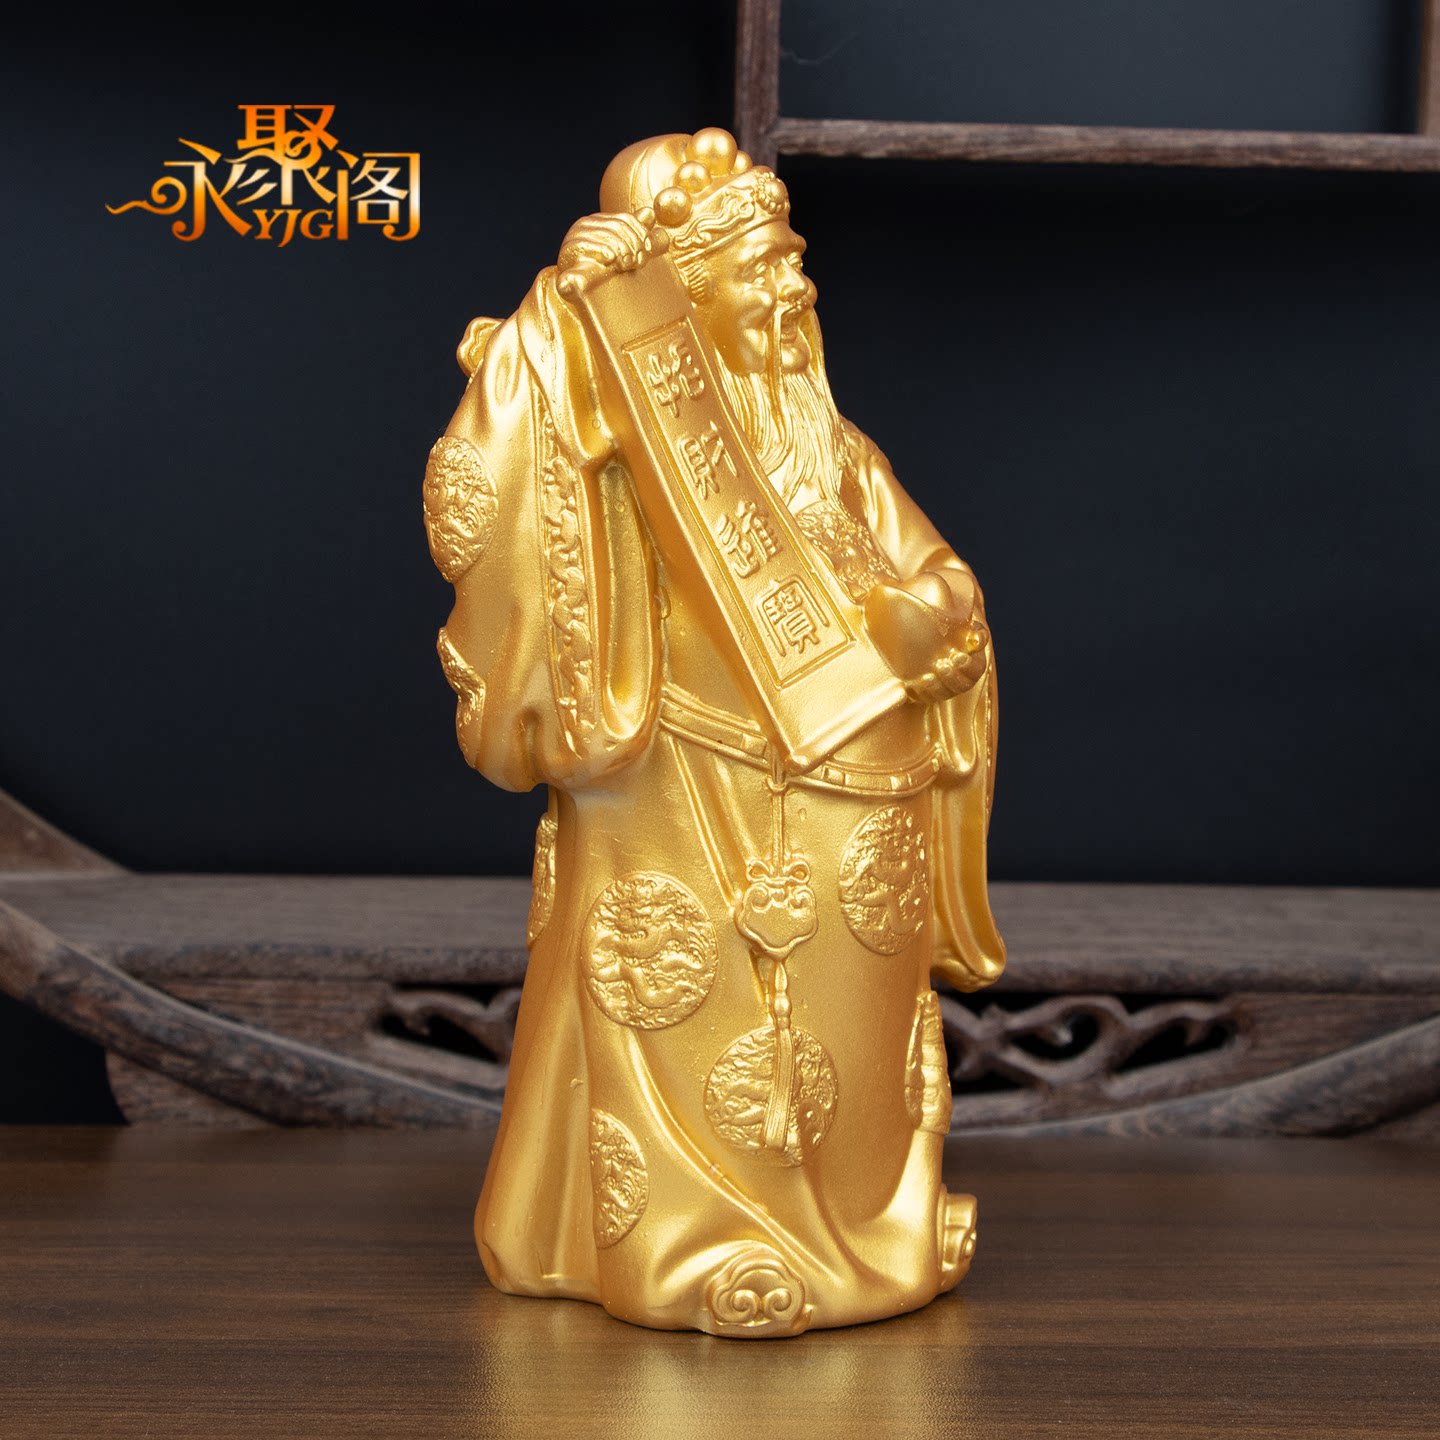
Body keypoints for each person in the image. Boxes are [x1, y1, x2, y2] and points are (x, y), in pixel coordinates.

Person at [423, 128, 1005, 1337]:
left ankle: (876, 1228)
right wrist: (568, 312)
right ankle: (699, 1248)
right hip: (694, 792)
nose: (793, 290)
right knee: (698, 1022)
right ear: (687, 299)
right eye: (761, 270)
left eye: (796, 264)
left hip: (864, 810)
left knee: (853, 1039)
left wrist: (935, 619)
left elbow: (936, 567)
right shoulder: (633, 450)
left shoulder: (835, 451)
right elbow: (520, 452)